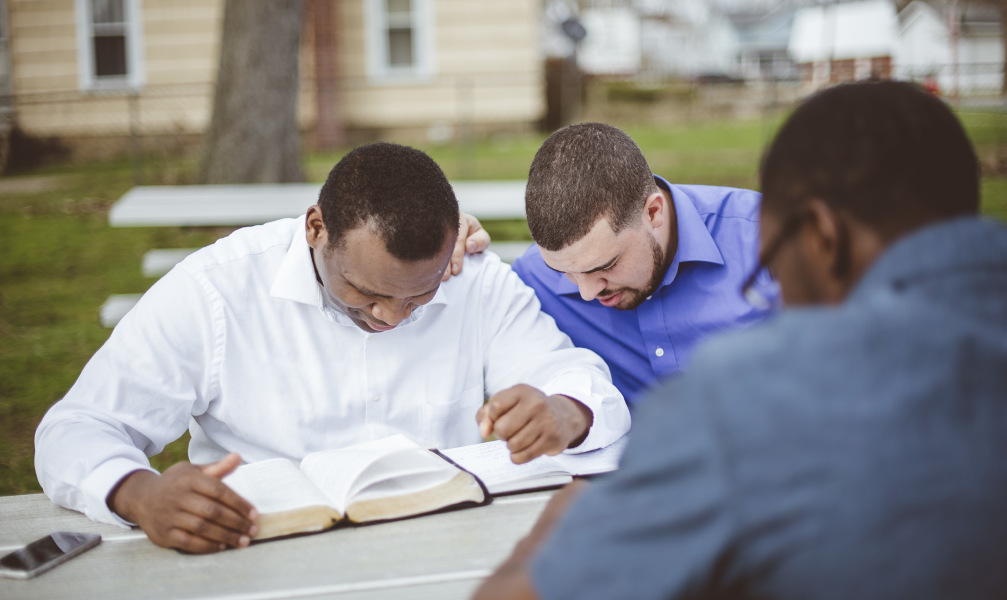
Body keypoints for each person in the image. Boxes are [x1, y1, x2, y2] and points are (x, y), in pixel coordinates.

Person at [475, 81, 1007, 599]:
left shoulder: (738, 395)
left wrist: (567, 519)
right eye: (568, 278)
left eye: (774, 266)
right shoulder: (541, 279)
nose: (586, 294)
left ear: (820, 236)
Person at [35, 142, 630, 555]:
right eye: (368, 294)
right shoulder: (217, 290)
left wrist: (563, 410)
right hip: (256, 557)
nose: (393, 317)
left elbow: (579, 381)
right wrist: (139, 494)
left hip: (449, 555)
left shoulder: (473, 277)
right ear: (315, 227)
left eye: (418, 297)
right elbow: (78, 426)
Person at [511, 123, 777, 408]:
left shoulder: (774, 242)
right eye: (563, 272)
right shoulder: (530, 280)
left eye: (605, 265)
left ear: (653, 212)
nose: (587, 292)